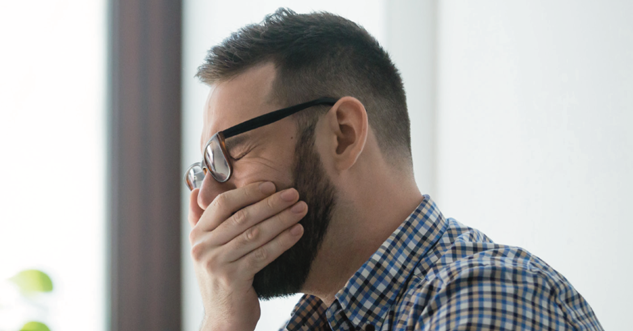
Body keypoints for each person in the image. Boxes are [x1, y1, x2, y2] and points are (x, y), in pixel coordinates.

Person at [185, 8, 602, 331]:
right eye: (204, 171)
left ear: (343, 135)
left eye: (230, 154)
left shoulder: (485, 299)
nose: (205, 199)